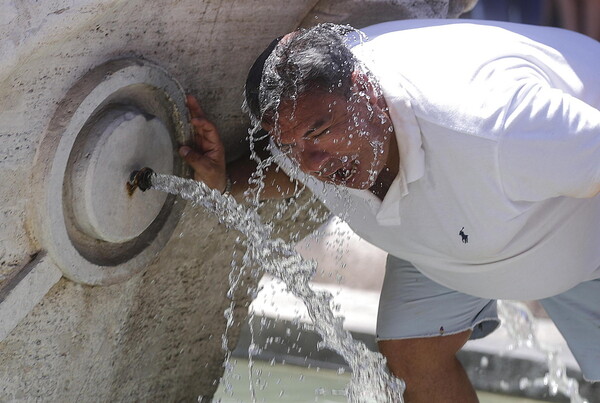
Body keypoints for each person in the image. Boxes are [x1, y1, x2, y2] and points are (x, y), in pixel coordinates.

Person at [179, 20, 600, 402]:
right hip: (452, 236)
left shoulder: (490, 124)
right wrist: (224, 179)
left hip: (576, 226)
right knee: (411, 353)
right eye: (291, 147)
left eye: (319, 133)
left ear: (366, 90)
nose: (310, 164)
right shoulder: (314, 124)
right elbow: (295, 165)